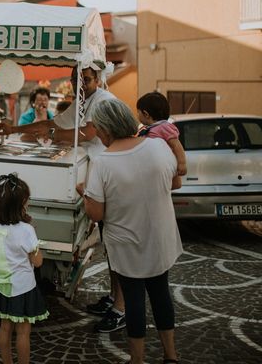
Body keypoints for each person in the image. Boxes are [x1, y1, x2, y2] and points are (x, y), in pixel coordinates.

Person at [0, 66, 126, 333]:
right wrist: (13, 129)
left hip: (112, 182)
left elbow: (89, 132)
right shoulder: (83, 101)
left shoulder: (103, 100)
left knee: (118, 251)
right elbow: (52, 124)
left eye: (86, 80)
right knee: (111, 247)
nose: (81, 85)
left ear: (98, 80)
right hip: (96, 183)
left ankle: (121, 309)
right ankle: (114, 299)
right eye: (76, 80)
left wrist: (50, 135)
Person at [77, 98, 182, 364]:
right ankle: (171, 355)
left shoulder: (103, 163)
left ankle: (137, 359)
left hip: (127, 243)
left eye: (98, 130)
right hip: (160, 237)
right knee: (161, 294)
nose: (98, 135)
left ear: (108, 129)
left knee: (134, 300)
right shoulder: (158, 147)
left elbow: (96, 213)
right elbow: (176, 182)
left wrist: (84, 193)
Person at [0, 173, 49, 364]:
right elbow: (37, 261)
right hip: (22, 287)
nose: (28, 203)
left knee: (4, 327)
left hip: (1, 284)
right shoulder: (26, 230)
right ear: (20, 204)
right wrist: (41, 252)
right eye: (26, 200)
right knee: (23, 331)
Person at [136, 92, 187, 189]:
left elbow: (176, 145)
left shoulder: (164, 127)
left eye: (138, 112)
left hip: (163, 165)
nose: (137, 115)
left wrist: (182, 163)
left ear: (146, 114)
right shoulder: (149, 128)